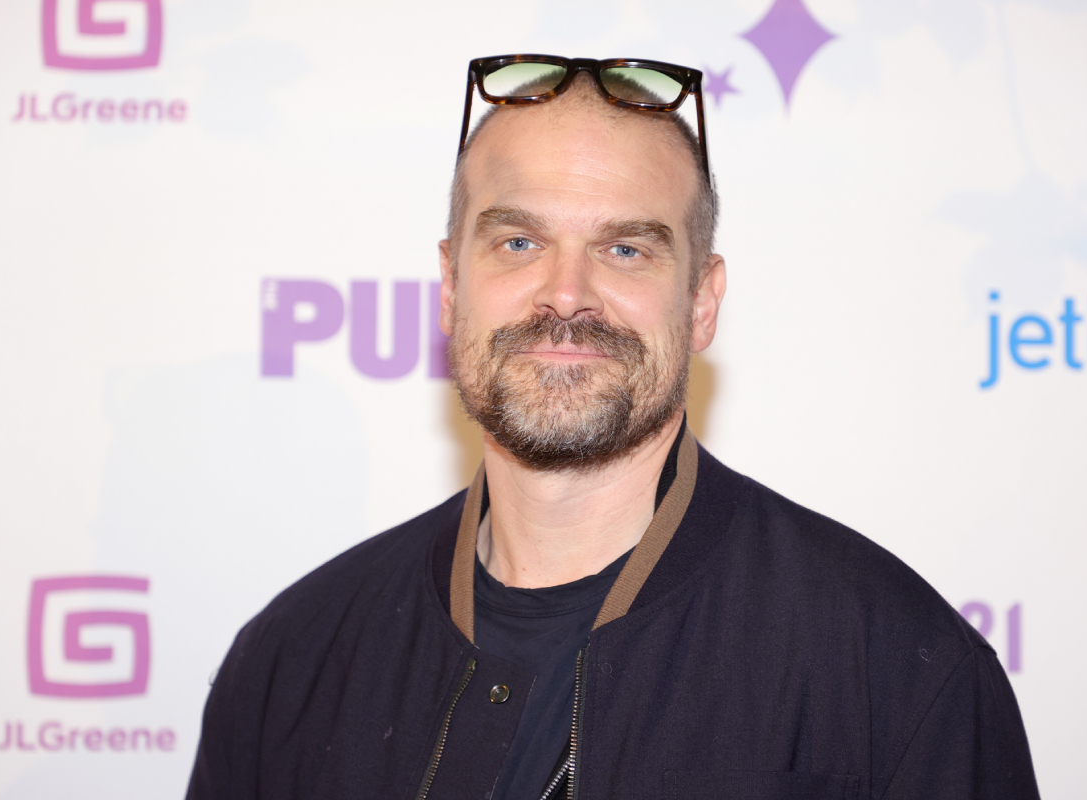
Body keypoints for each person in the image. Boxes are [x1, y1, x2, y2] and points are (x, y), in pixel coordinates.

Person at [187, 56, 1039, 800]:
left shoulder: (894, 668)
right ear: (449, 290)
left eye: (626, 249)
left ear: (702, 301)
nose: (566, 295)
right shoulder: (289, 664)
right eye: (518, 242)